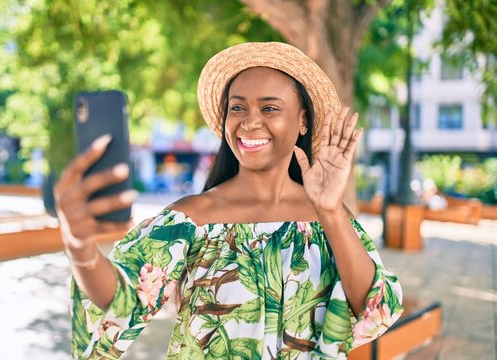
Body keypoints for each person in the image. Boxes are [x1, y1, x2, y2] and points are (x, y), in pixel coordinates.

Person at [55, 42, 403, 360]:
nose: (250, 122)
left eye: (269, 108)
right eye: (238, 107)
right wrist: (80, 250)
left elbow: (376, 309)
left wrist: (330, 210)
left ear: (302, 121)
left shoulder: (328, 220)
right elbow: (121, 301)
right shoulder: (192, 219)